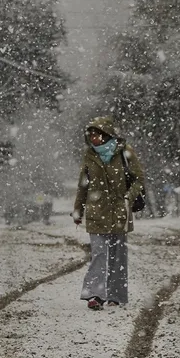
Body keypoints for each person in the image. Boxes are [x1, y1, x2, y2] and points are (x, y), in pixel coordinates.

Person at [72, 116, 145, 310]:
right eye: (91, 135)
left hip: (120, 213)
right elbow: (83, 185)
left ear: (106, 134)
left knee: (118, 256)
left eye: (96, 134)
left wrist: (128, 198)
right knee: (99, 254)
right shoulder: (89, 156)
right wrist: (78, 210)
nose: (93, 138)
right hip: (97, 212)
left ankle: (115, 295)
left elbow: (139, 179)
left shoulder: (125, 153)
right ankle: (95, 295)